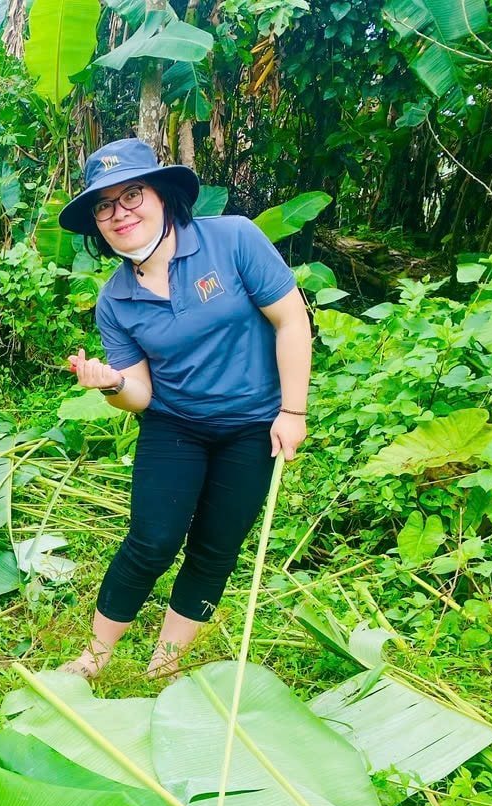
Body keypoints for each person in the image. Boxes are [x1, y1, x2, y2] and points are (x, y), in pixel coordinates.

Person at [56, 138, 312, 679]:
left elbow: (292, 320)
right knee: (152, 539)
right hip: (174, 425)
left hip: (252, 427)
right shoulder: (115, 300)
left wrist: (293, 412)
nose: (119, 213)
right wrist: (109, 384)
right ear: (96, 225)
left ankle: (164, 665)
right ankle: (94, 658)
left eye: (132, 195)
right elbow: (141, 396)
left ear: (163, 195)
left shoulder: (234, 239)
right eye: (104, 206)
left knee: (215, 548)